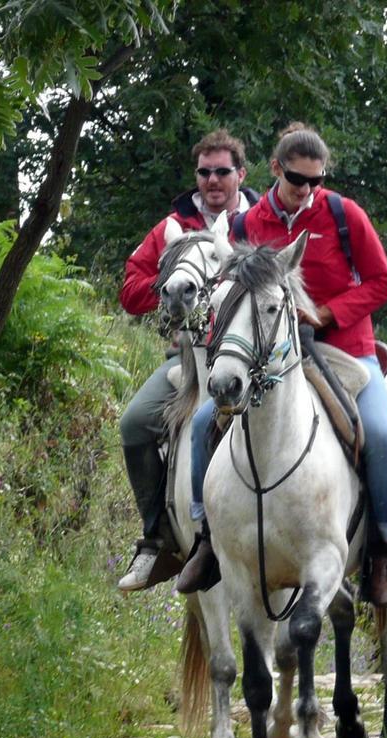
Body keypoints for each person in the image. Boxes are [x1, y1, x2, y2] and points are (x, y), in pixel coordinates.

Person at [175, 123, 387, 606]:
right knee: (201, 425)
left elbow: (382, 282)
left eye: (316, 181)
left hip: (344, 346)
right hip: (269, 353)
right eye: (298, 179)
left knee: (383, 435)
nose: (306, 190)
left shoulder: (344, 215)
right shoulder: (244, 225)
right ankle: (205, 540)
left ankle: (384, 547)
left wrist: (324, 313)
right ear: (276, 169)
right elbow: (225, 290)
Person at [116, 129, 259, 593]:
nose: (213, 180)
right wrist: (169, 291)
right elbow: (129, 290)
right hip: (188, 357)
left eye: (222, 171)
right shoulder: (171, 226)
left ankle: (353, 541)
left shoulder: (260, 221)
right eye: (204, 172)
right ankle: (157, 539)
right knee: (135, 424)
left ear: (241, 174)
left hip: (254, 357)